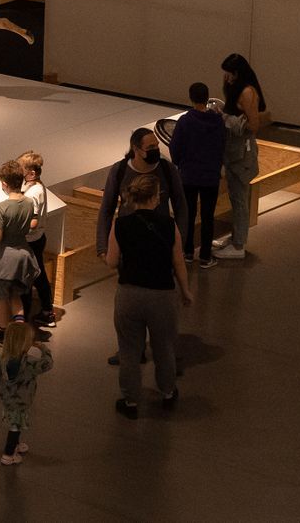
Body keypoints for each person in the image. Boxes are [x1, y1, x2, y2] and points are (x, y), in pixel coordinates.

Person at [95, 127, 185, 366]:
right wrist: (103, 246)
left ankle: (164, 353)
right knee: (128, 303)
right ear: (136, 150)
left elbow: (181, 206)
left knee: (163, 302)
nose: (156, 151)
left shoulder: (167, 169)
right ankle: (130, 349)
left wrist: (180, 242)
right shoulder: (120, 170)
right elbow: (106, 210)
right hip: (129, 246)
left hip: (160, 246)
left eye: (157, 146)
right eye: (150, 148)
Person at [105, 173, 193, 417]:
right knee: (164, 347)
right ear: (155, 197)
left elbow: (112, 261)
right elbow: (178, 262)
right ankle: (167, 393)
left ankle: (130, 401)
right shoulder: (169, 224)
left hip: (129, 294)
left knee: (129, 350)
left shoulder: (120, 224)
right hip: (162, 295)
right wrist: (185, 290)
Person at [0, 160, 40, 345]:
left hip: (4, 259)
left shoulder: (1, 208)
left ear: (4, 184)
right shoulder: (29, 202)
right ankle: (20, 334)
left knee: (1, 298)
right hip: (23, 255)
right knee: (15, 296)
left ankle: (4, 333)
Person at [215, 53, 269, 260]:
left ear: (238, 73)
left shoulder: (247, 92)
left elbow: (253, 126)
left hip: (241, 154)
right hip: (232, 150)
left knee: (239, 199)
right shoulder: (235, 88)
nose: (226, 78)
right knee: (235, 197)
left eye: (229, 74)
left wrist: (227, 119)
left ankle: (238, 246)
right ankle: (236, 237)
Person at [171, 82, 227, 268]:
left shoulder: (185, 121)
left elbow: (175, 149)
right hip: (210, 176)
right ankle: (205, 256)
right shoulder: (218, 121)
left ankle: (187, 252)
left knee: (188, 214)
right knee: (208, 216)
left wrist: (181, 164)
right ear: (207, 97)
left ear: (191, 97)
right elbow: (221, 146)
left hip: (189, 175)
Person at [0, 321, 52, 466]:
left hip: (7, 398)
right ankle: (8, 454)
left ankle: (16, 445)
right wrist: (44, 348)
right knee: (15, 426)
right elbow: (47, 364)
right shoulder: (29, 363)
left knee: (15, 422)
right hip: (21, 400)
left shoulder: (1, 358)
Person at [18, 151, 55, 327]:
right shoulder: (36, 187)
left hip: (30, 241)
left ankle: (25, 316)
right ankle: (47, 311)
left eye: (21, 168)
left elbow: (31, 222)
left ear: (31, 173)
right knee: (38, 275)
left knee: (27, 277)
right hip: (37, 238)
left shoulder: (33, 193)